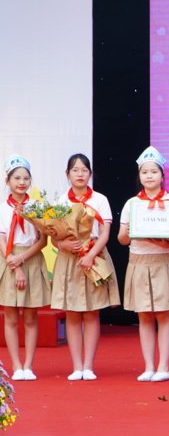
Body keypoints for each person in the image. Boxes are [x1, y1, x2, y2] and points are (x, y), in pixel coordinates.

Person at [117, 146, 169, 382]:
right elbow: (121, 239)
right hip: (139, 261)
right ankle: (148, 366)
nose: (149, 176)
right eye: (144, 172)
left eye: (154, 172)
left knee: (164, 314)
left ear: (162, 175)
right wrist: (129, 231)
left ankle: (164, 367)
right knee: (145, 316)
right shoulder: (132, 204)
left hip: (165, 262)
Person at [52, 153, 121, 381]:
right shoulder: (61, 201)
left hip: (95, 258)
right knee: (72, 313)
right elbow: (53, 237)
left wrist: (91, 254)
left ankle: (89, 366)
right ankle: (76, 366)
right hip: (70, 260)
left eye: (84, 170)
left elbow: (105, 233)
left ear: (90, 174)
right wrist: (62, 243)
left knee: (92, 313)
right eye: (75, 170)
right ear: (67, 174)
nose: (80, 174)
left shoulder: (99, 199)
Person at [0, 155, 49, 381]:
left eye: (26, 178)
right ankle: (16, 365)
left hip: (31, 258)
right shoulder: (2, 209)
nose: (22, 182)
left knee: (30, 316)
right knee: (10, 316)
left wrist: (23, 260)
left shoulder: (37, 207)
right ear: (7, 181)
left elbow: (42, 241)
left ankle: (29, 365)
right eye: (17, 178)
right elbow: (1, 239)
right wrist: (14, 262)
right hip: (9, 260)